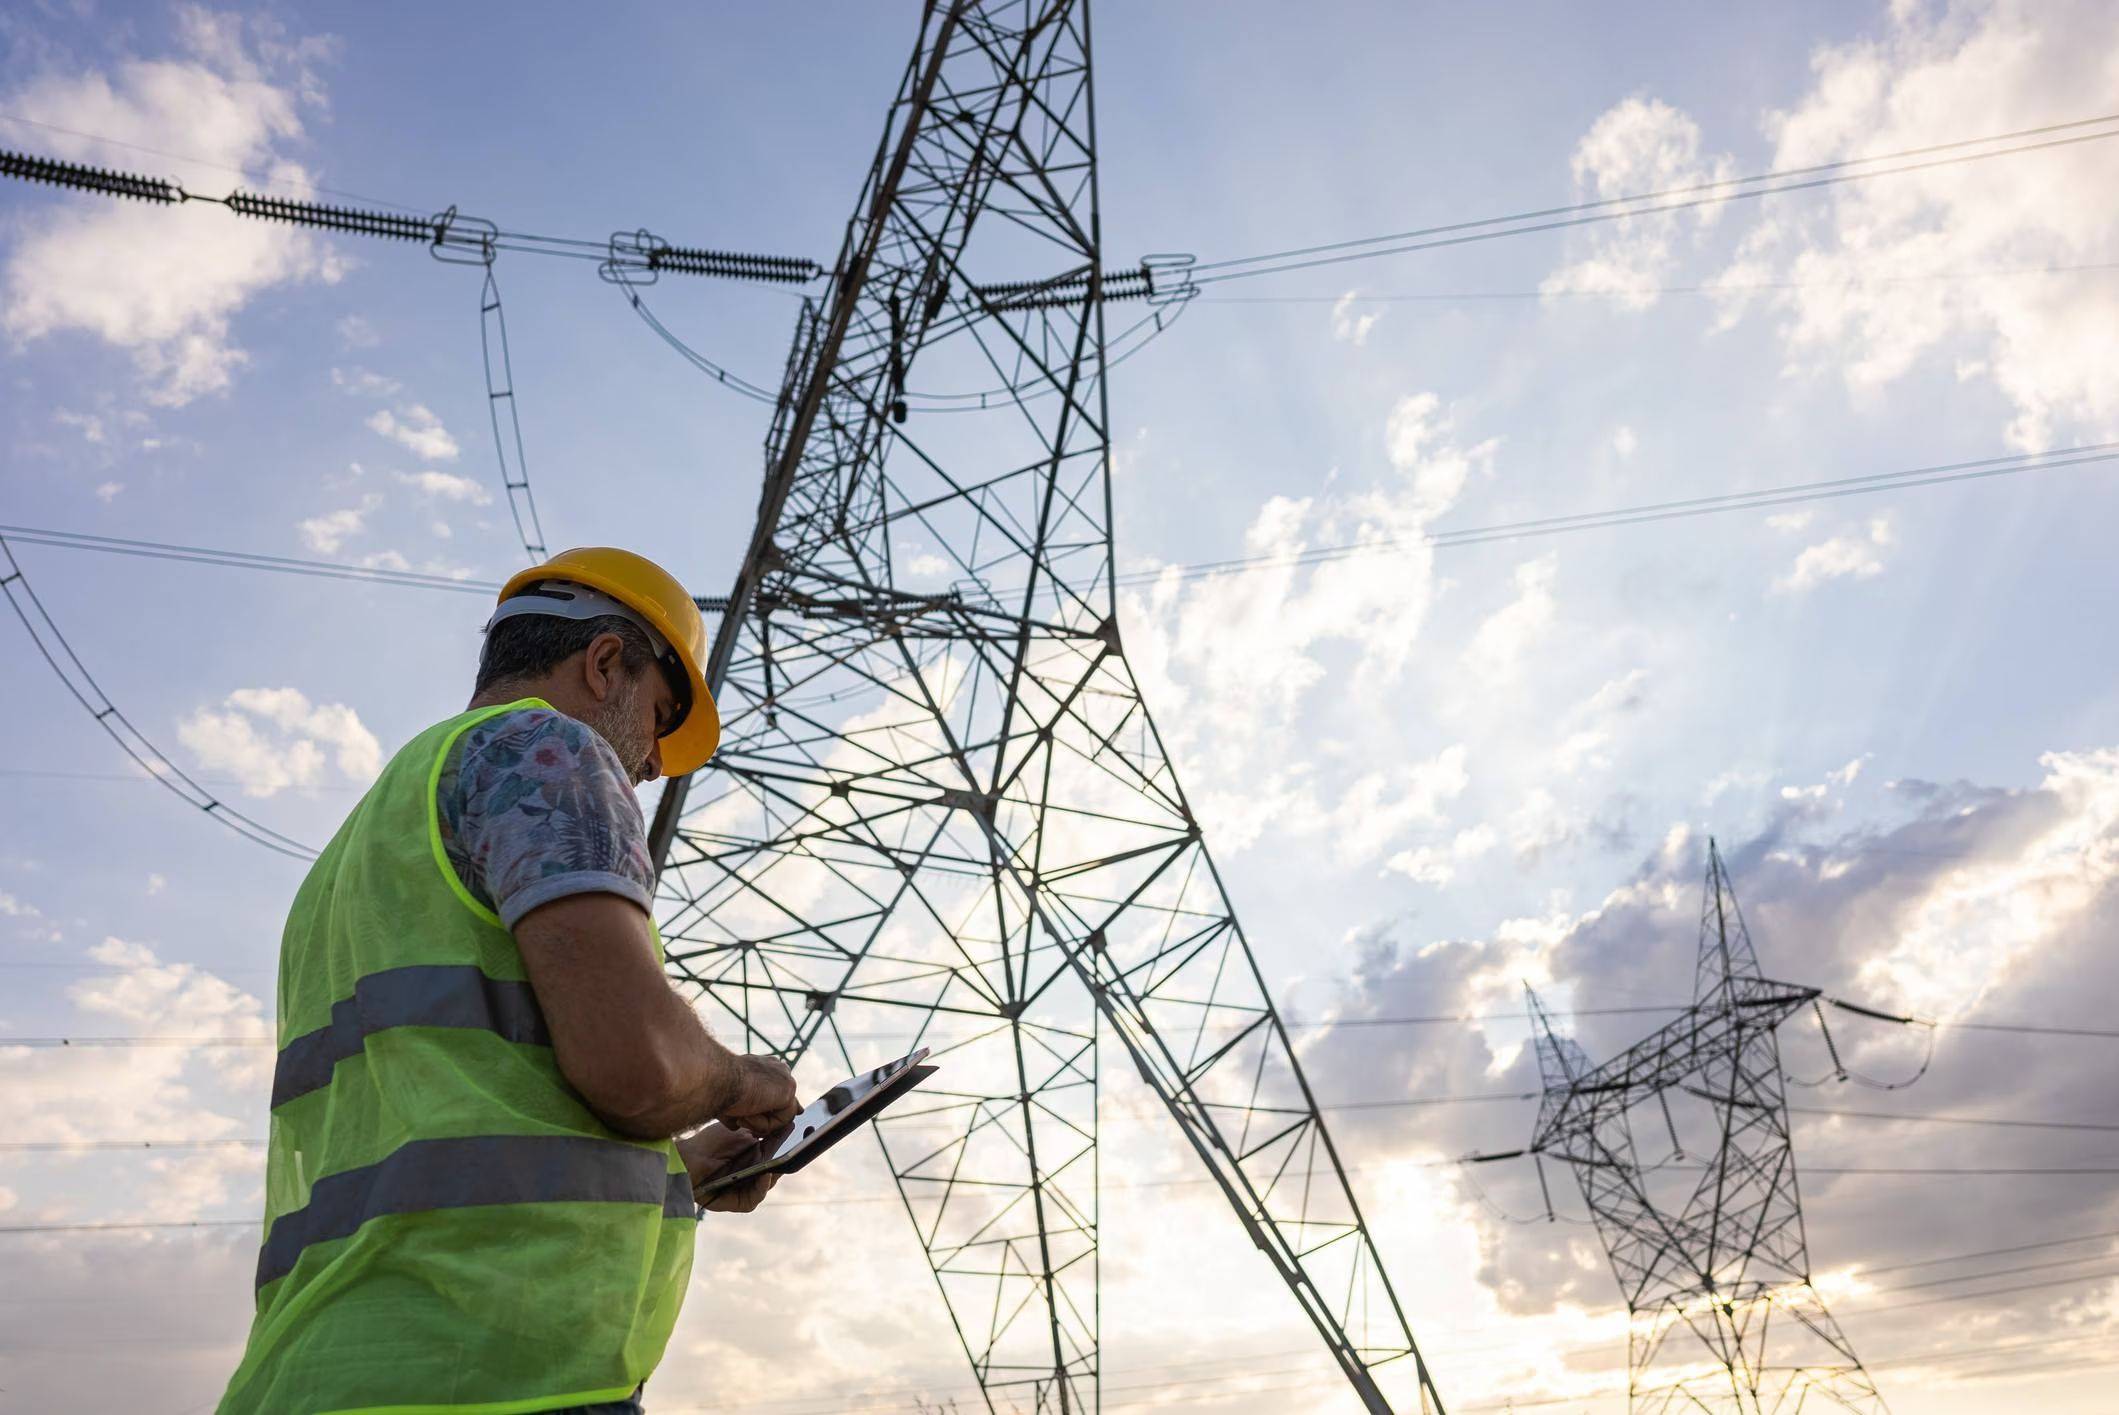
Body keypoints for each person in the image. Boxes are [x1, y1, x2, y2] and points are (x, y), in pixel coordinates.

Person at [217, 547, 800, 1415]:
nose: (650, 766)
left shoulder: (364, 842)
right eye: (658, 714)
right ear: (605, 663)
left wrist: (672, 1170)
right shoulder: (545, 750)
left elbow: (449, 1116)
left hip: (330, 1368)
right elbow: (635, 1066)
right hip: (494, 1371)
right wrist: (743, 1081)